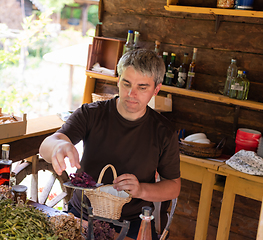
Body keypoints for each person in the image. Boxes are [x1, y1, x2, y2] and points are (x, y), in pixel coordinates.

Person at [39, 49, 181, 239]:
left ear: (156, 89)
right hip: (82, 215)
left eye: (142, 87)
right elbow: (47, 145)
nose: (132, 93)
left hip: (132, 222)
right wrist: (58, 146)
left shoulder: (163, 131)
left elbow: (173, 186)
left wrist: (141, 189)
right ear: (118, 80)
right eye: (126, 83)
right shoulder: (91, 113)